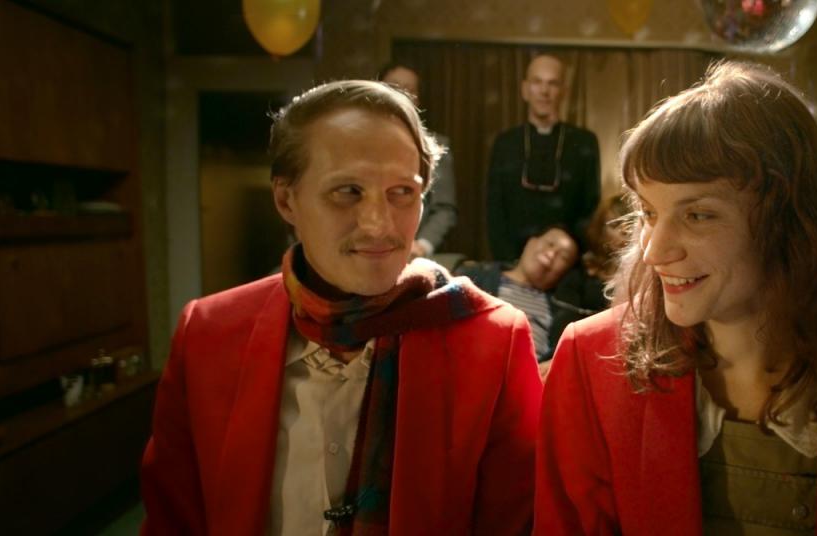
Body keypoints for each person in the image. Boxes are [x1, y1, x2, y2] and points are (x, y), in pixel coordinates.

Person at [534, 61, 817, 535]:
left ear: (792, 223)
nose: (654, 251)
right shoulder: (590, 363)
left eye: (698, 215)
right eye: (648, 212)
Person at [140, 80, 541, 535]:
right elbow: (173, 519)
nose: (378, 225)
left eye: (402, 192)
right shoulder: (209, 333)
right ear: (286, 200)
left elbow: (515, 522)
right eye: (347, 191)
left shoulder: (490, 339)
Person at [486, 53, 601, 261]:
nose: (544, 91)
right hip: (511, 262)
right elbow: (495, 209)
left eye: (552, 83)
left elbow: (590, 207)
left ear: (563, 91)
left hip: (566, 262)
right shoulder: (505, 142)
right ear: (525, 90)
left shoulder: (584, 142)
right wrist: (508, 262)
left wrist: (566, 257)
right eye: (537, 82)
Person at [457, 226, 608, 375]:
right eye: (550, 244)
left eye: (563, 257)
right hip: (473, 365)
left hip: (528, 379)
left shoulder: (563, 311)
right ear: (531, 241)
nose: (551, 254)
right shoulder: (476, 276)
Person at [378, 61, 458, 259]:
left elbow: (444, 209)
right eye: (393, 87)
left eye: (409, 90)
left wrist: (422, 245)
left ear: (418, 99)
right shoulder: (356, 143)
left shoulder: (435, 146)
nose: (401, 94)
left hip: (411, 253)